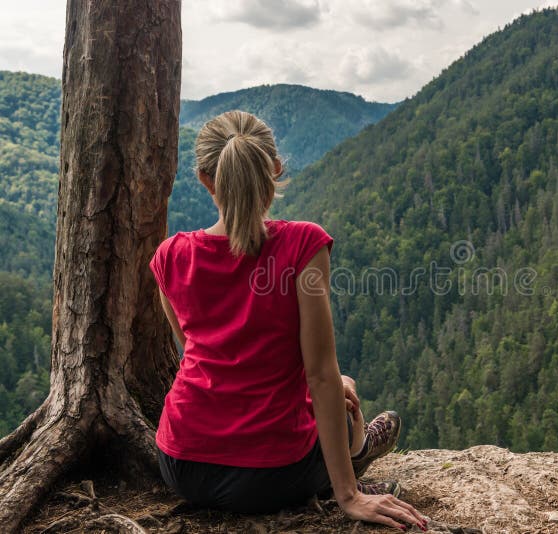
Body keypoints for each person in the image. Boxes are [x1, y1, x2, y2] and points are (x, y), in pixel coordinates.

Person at [149, 110, 426, 531]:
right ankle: (359, 448)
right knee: (342, 387)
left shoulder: (170, 255)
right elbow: (319, 374)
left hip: (181, 464)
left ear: (205, 179)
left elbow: (194, 351)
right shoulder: (303, 244)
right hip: (271, 475)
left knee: (335, 388)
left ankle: (355, 438)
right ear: (275, 170)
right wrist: (348, 496)